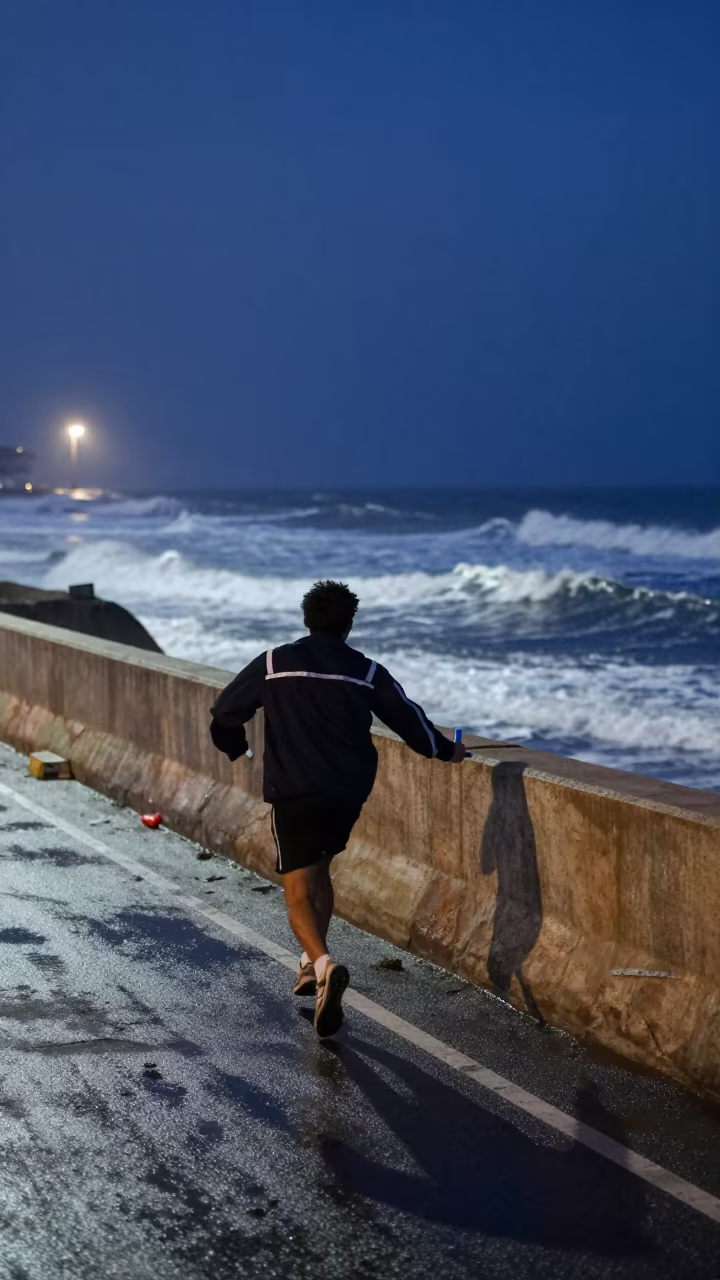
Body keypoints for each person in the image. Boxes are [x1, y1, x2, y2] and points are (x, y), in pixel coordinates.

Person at [210, 580, 466, 1038]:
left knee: (296, 888)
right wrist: (447, 752)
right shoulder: (366, 671)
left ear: (306, 619)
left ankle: (324, 965)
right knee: (319, 870)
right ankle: (310, 965)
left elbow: (226, 710)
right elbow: (411, 721)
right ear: (349, 624)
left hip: (294, 791)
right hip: (347, 793)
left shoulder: (273, 663)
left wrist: (235, 745)